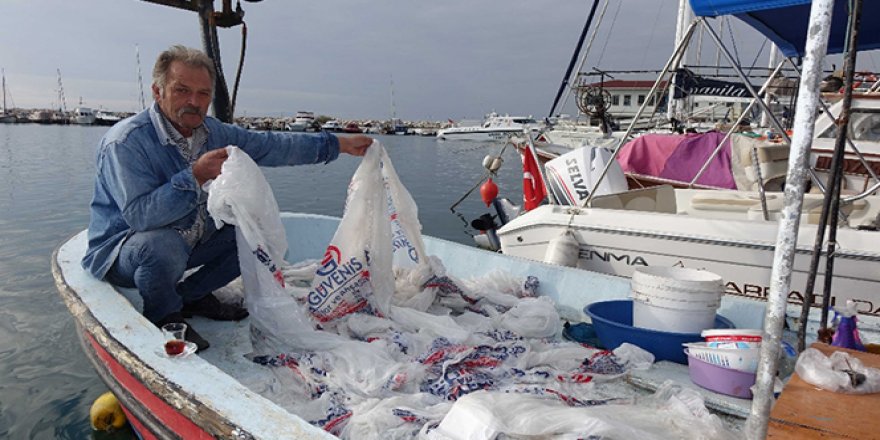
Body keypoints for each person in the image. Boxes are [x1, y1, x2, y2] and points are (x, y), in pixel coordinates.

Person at [82, 45, 372, 352]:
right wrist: (195, 175)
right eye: (182, 90)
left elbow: (272, 145)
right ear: (158, 91)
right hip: (125, 251)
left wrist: (338, 144)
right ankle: (164, 315)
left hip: (187, 238)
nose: (194, 102)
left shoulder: (213, 133)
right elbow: (141, 217)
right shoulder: (125, 142)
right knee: (160, 245)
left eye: (203, 94)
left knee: (255, 234)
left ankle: (191, 296)